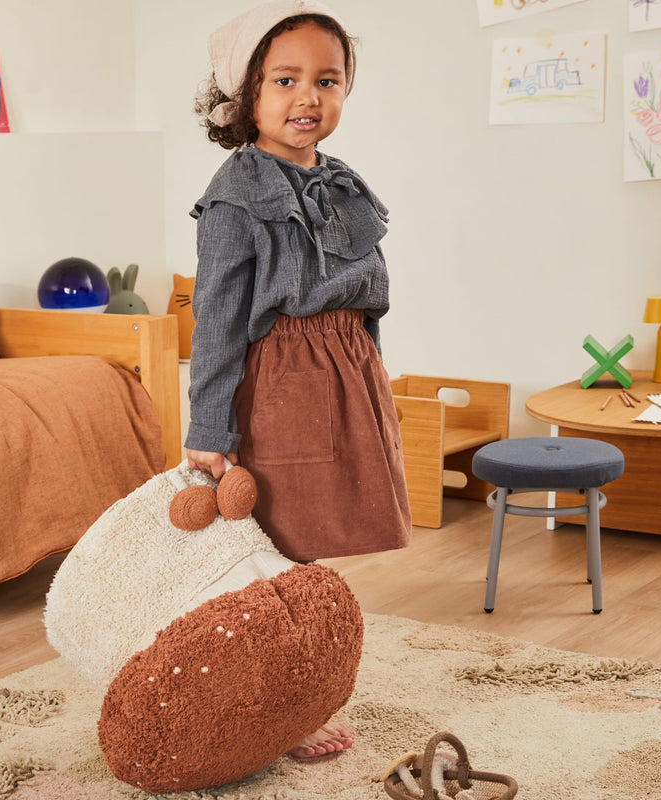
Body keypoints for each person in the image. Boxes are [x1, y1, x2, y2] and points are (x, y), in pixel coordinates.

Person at [185, 0, 411, 758]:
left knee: (308, 547)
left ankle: (292, 689)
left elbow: (368, 292)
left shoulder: (343, 184)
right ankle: (277, 705)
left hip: (343, 379)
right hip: (280, 386)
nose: (308, 97)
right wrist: (210, 429)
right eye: (285, 80)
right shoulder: (235, 196)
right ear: (246, 95)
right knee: (277, 551)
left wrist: (371, 385)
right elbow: (215, 321)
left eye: (328, 80)